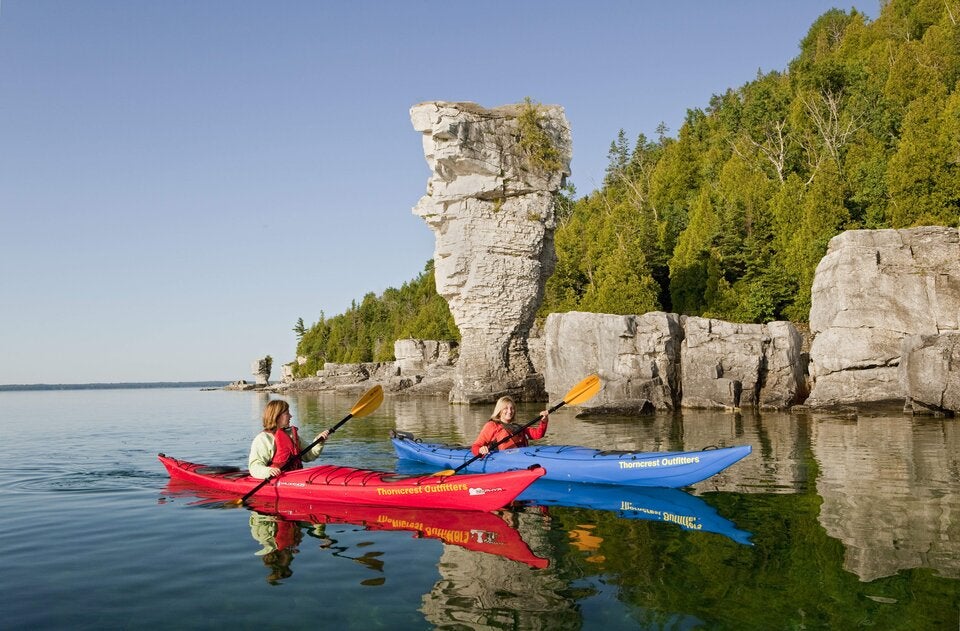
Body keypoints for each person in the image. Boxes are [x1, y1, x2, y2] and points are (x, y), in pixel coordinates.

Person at [248, 399, 330, 479]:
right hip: (276, 479)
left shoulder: (291, 435)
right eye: (287, 413)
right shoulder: (263, 439)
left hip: (295, 477)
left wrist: (319, 441)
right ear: (277, 416)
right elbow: (254, 467)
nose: (291, 416)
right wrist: (269, 471)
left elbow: (310, 455)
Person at [470, 396, 549, 456]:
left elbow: (538, 434)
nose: (509, 411)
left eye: (512, 408)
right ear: (499, 410)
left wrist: (544, 421)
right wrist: (481, 450)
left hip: (522, 457)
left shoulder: (517, 427)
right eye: (506, 408)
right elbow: (475, 446)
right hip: (499, 459)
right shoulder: (492, 425)